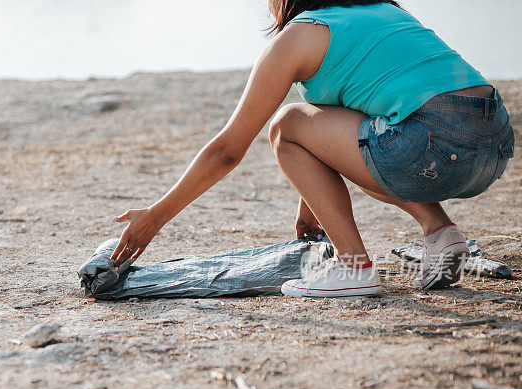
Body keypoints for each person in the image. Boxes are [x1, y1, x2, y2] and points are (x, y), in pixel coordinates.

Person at [109, 0, 515, 298]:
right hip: (495, 145)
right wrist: (313, 202)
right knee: (380, 139)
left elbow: (228, 151)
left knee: (285, 126)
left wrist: (155, 217)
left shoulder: (300, 35)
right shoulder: (389, 14)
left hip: (427, 149)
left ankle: (355, 269)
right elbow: (349, 126)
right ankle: (440, 232)